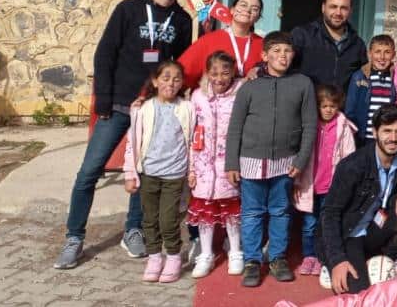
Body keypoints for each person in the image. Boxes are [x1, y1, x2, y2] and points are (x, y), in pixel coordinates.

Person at [55, 0, 194, 270]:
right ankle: (74, 237)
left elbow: (180, 65)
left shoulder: (183, 21)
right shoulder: (128, 9)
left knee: (142, 171)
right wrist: (102, 99)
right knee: (89, 171)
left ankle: (133, 229)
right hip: (116, 104)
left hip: (152, 110)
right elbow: (105, 53)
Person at [224, 31, 318, 287]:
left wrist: (300, 160)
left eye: (287, 51)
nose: (282, 56)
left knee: (280, 211)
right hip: (250, 160)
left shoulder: (303, 84)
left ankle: (277, 257)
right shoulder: (250, 87)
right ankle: (253, 261)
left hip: (286, 163)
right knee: (252, 212)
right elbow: (235, 127)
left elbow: (310, 125)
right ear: (264, 55)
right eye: (276, 51)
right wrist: (231, 162)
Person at [319, 103, 397, 294]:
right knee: (359, 291)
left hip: (375, 228)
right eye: (387, 131)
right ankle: (332, 263)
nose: (393, 138)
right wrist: (337, 259)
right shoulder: (353, 166)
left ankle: (380, 257)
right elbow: (330, 213)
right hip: (350, 234)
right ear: (375, 132)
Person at [121, 61, 194, 283]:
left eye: (177, 78)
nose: (171, 83)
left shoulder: (188, 108)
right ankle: (154, 257)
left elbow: (193, 141)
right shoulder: (143, 109)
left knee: (169, 219)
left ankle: (173, 257)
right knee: (150, 219)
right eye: (165, 77)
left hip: (174, 175)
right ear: (155, 80)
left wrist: (192, 171)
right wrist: (129, 173)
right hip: (148, 173)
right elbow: (132, 143)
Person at [187, 52, 245, 278]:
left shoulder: (240, 94)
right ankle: (207, 253)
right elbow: (192, 133)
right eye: (214, 73)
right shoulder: (197, 96)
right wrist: (191, 169)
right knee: (205, 213)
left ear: (233, 73)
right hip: (203, 167)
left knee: (231, 212)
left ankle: (235, 251)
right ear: (207, 73)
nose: (219, 78)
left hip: (228, 165)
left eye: (225, 73)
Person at [295, 84, 357, 281]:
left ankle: (323, 257)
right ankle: (309, 255)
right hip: (309, 185)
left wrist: (347, 183)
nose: (329, 110)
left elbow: (349, 156)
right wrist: (296, 181)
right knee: (309, 224)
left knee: (326, 223)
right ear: (317, 107)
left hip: (331, 186)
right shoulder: (309, 125)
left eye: (332, 106)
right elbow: (298, 154)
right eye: (324, 106)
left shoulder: (343, 126)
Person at [177, 0, 265, 88]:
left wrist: (260, 68)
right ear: (232, 10)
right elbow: (182, 72)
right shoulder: (209, 40)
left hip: (248, 101)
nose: (248, 10)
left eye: (254, 9)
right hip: (211, 101)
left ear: (258, 18)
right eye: (243, 5)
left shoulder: (263, 44)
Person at [292, 0, 368, 94]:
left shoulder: (357, 44)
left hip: (341, 108)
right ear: (323, 8)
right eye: (333, 7)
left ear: (350, 11)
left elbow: (365, 76)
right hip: (307, 106)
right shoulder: (302, 35)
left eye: (344, 8)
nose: (338, 13)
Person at [345, 34, 397, 147]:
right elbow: (350, 109)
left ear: (394, 54)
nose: (382, 57)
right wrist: (354, 135)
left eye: (387, 52)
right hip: (363, 137)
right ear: (370, 54)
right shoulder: (359, 77)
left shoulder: (396, 78)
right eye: (377, 52)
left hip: (387, 138)